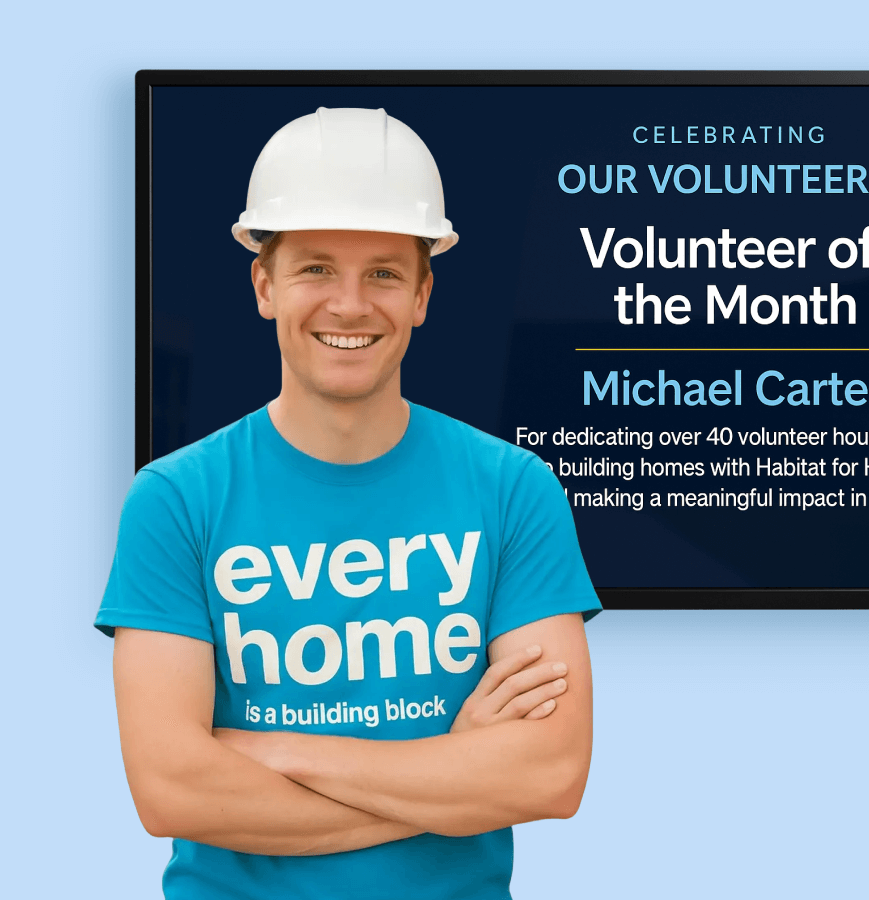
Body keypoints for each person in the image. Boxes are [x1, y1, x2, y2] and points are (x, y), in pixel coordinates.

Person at [95, 107, 601, 900]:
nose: (350, 305)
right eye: (317, 268)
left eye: (385, 274)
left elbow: (550, 774)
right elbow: (172, 790)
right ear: (264, 284)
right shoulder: (174, 502)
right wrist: (453, 766)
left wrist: (276, 750)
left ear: (424, 294)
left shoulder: (513, 489)